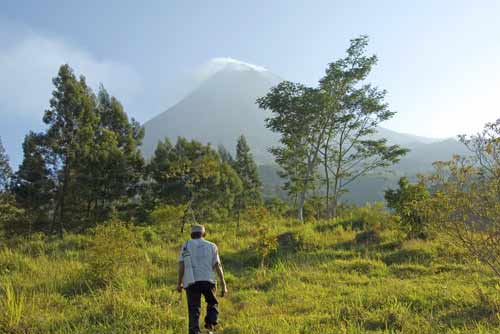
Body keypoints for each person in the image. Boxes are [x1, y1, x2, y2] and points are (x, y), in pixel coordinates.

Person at [177, 224, 228, 334]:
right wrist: (224, 284)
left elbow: (182, 266)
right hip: (208, 280)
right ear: (204, 234)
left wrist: (179, 283)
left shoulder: (186, 245)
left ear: (191, 235)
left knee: (194, 308)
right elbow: (217, 266)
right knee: (212, 302)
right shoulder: (212, 246)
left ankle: (194, 331)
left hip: (191, 281)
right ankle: (210, 323)